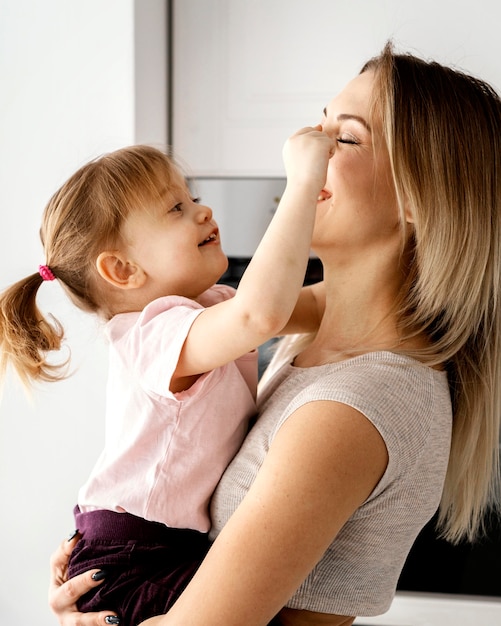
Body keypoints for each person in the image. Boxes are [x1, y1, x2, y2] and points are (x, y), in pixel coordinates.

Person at [48, 41, 501, 626]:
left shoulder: (353, 407)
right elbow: (269, 302)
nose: (306, 147)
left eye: (344, 138)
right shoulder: (324, 340)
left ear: (417, 196)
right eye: (319, 124)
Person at [0, 125, 334, 623]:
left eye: (192, 196)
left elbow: (323, 306)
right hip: (134, 555)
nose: (203, 210)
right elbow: (260, 315)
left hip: (154, 543)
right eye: (176, 208)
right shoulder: (151, 334)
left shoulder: (211, 309)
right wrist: (302, 185)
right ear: (122, 271)